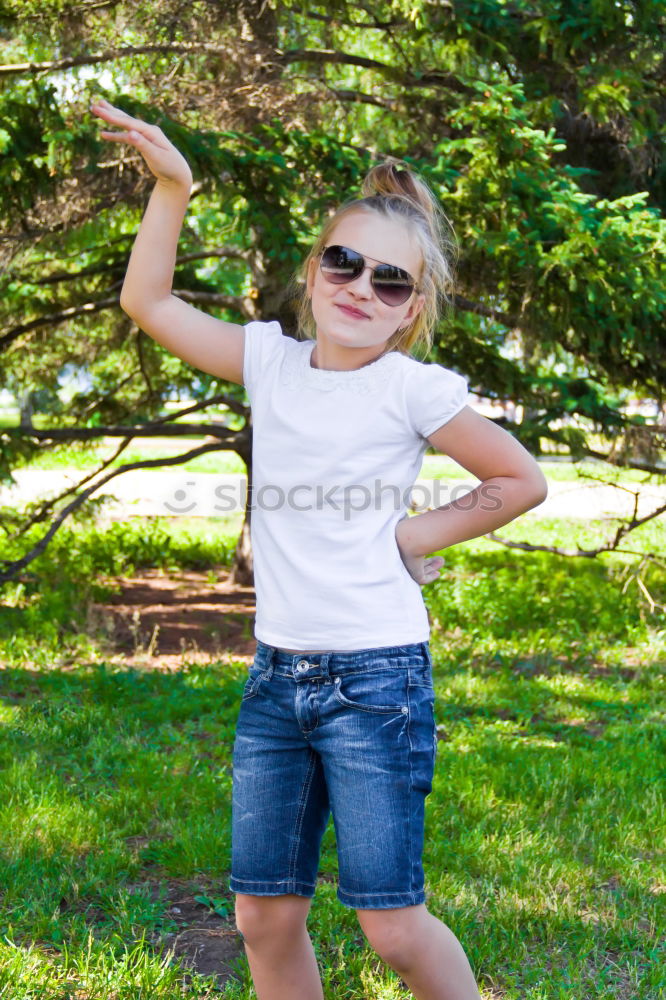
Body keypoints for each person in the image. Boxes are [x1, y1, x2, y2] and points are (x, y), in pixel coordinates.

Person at [92, 98, 548, 1000]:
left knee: (391, 923)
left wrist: (421, 531)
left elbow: (520, 481)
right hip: (276, 679)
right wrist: (174, 189)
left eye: (391, 282)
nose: (360, 288)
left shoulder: (412, 390)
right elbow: (146, 300)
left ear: (412, 310)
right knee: (262, 915)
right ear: (313, 271)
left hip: (377, 683)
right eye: (344, 262)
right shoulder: (268, 360)